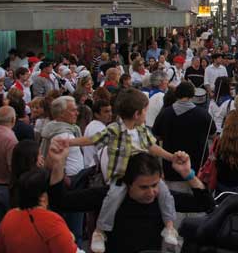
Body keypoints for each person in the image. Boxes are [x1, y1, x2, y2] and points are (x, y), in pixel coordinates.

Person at [66, 88, 180, 252]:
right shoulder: (115, 130)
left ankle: (169, 226)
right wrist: (70, 142)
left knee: (165, 194)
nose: (146, 115)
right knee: (111, 199)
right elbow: (92, 139)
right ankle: (100, 231)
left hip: (141, 175)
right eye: (145, 111)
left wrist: (170, 157)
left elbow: (152, 147)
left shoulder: (142, 131)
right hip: (121, 176)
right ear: (137, 114)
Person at [0, 168, 80, 253]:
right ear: (43, 197)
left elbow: (0, 248)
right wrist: (69, 238)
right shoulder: (52, 221)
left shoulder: (8, 217)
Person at [153, 81, 216, 189]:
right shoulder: (203, 114)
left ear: (177, 94)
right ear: (192, 95)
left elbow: (156, 136)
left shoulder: (165, 113)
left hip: (172, 167)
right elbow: (213, 135)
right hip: (197, 169)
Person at [82, 99, 113, 168]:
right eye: (106, 112)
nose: (110, 114)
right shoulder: (99, 129)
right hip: (93, 169)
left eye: (110, 111)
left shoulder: (92, 125)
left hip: (90, 167)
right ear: (97, 115)